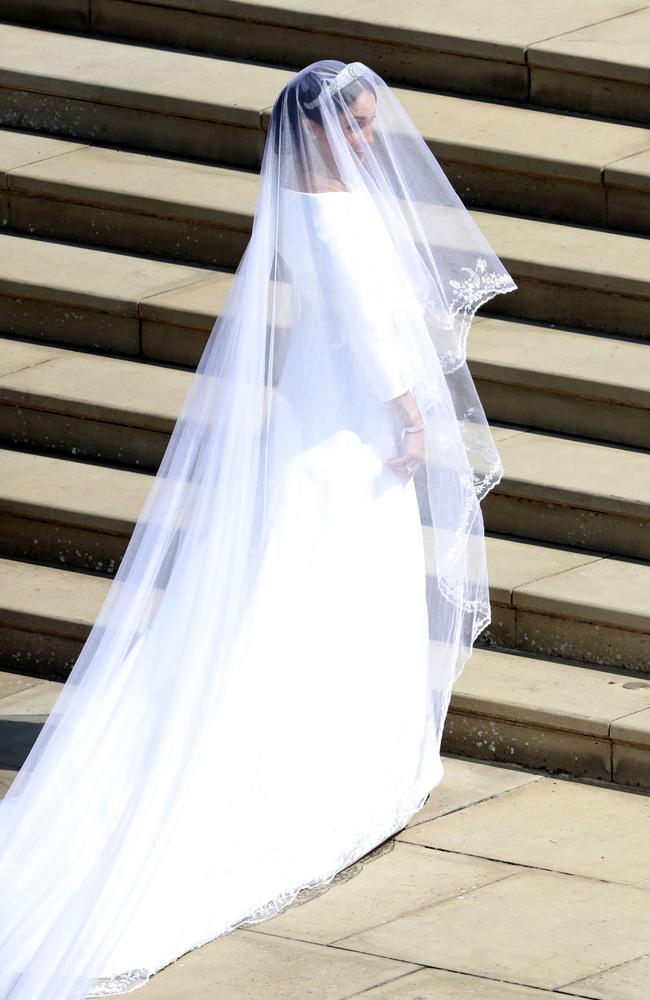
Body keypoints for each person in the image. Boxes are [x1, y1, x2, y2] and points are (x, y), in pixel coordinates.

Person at [0, 59, 517, 999]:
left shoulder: (311, 196)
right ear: (315, 131)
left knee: (334, 578)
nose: (367, 138)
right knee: (327, 578)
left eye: (369, 123)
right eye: (353, 125)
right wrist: (409, 412)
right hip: (351, 415)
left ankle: (351, 744)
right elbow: (364, 322)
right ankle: (326, 761)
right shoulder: (325, 210)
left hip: (330, 406)